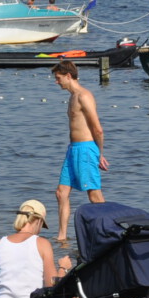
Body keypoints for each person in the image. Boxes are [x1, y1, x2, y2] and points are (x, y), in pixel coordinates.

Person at [51, 60, 107, 241]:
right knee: (61, 193)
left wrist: (100, 154)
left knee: (94, 194)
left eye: (58, 78)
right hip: (73, 150)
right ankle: (61, 237)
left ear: (68, 76)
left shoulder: (84, 96)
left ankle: (108, 231)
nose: (56, 82)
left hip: (86, 149)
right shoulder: (72, 96)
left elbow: (97, 128)